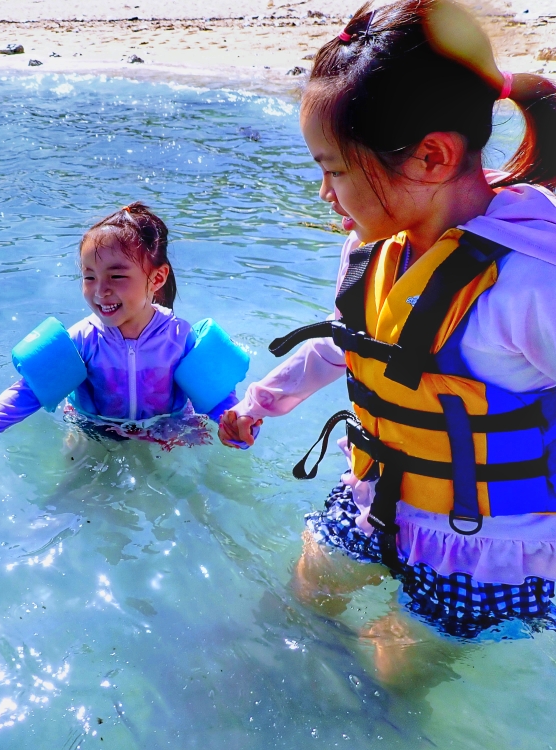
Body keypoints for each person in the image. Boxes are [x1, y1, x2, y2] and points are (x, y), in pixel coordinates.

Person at [219, 0, 556, 678]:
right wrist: (262, 402)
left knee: (392, 676)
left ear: (431, 157)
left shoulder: (529, 284)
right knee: (299, 603)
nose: (323, 193)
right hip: (379, 496)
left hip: (488, 546)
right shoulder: (373, 252)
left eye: (335, 169)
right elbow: (347, 344)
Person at [0, 203, 249, 450]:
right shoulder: (81, 340)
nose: (101, 291)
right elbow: (30, 391)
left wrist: (235, 423)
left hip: (168, 429)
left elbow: (217, 395)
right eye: (89, 277)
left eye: (116, 276)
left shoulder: (179, 338)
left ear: (158, 278)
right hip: (93, 430)